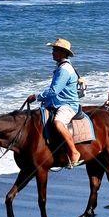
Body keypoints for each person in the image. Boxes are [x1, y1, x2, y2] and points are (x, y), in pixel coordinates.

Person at [26, 38, 82, 168]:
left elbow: (54, 91)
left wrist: (37, 96)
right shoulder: (61, 67)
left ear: (63, 52)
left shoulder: (64, 69)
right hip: (58, 103)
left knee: (58, 123)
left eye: (55, 50)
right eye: (53, 50)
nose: (52, 52)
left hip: (67, 105)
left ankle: (74, 152)